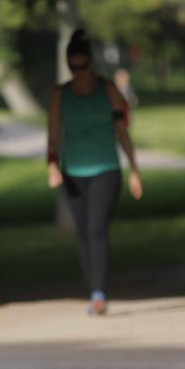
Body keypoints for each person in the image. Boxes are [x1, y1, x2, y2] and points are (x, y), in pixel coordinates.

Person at [47, 29, 143, 316]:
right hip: (72, 172)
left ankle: (100, 292)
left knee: (96, 228)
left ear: (91, 64)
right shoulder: (60, 95)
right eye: (73, 67)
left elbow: (122, 131)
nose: (79, 72)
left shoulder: (108, 89)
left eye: (83, 66)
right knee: (83, 233)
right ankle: (93, 290)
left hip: (106, 169)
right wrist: (52, 165)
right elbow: (53, 135)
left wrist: (135, 169)